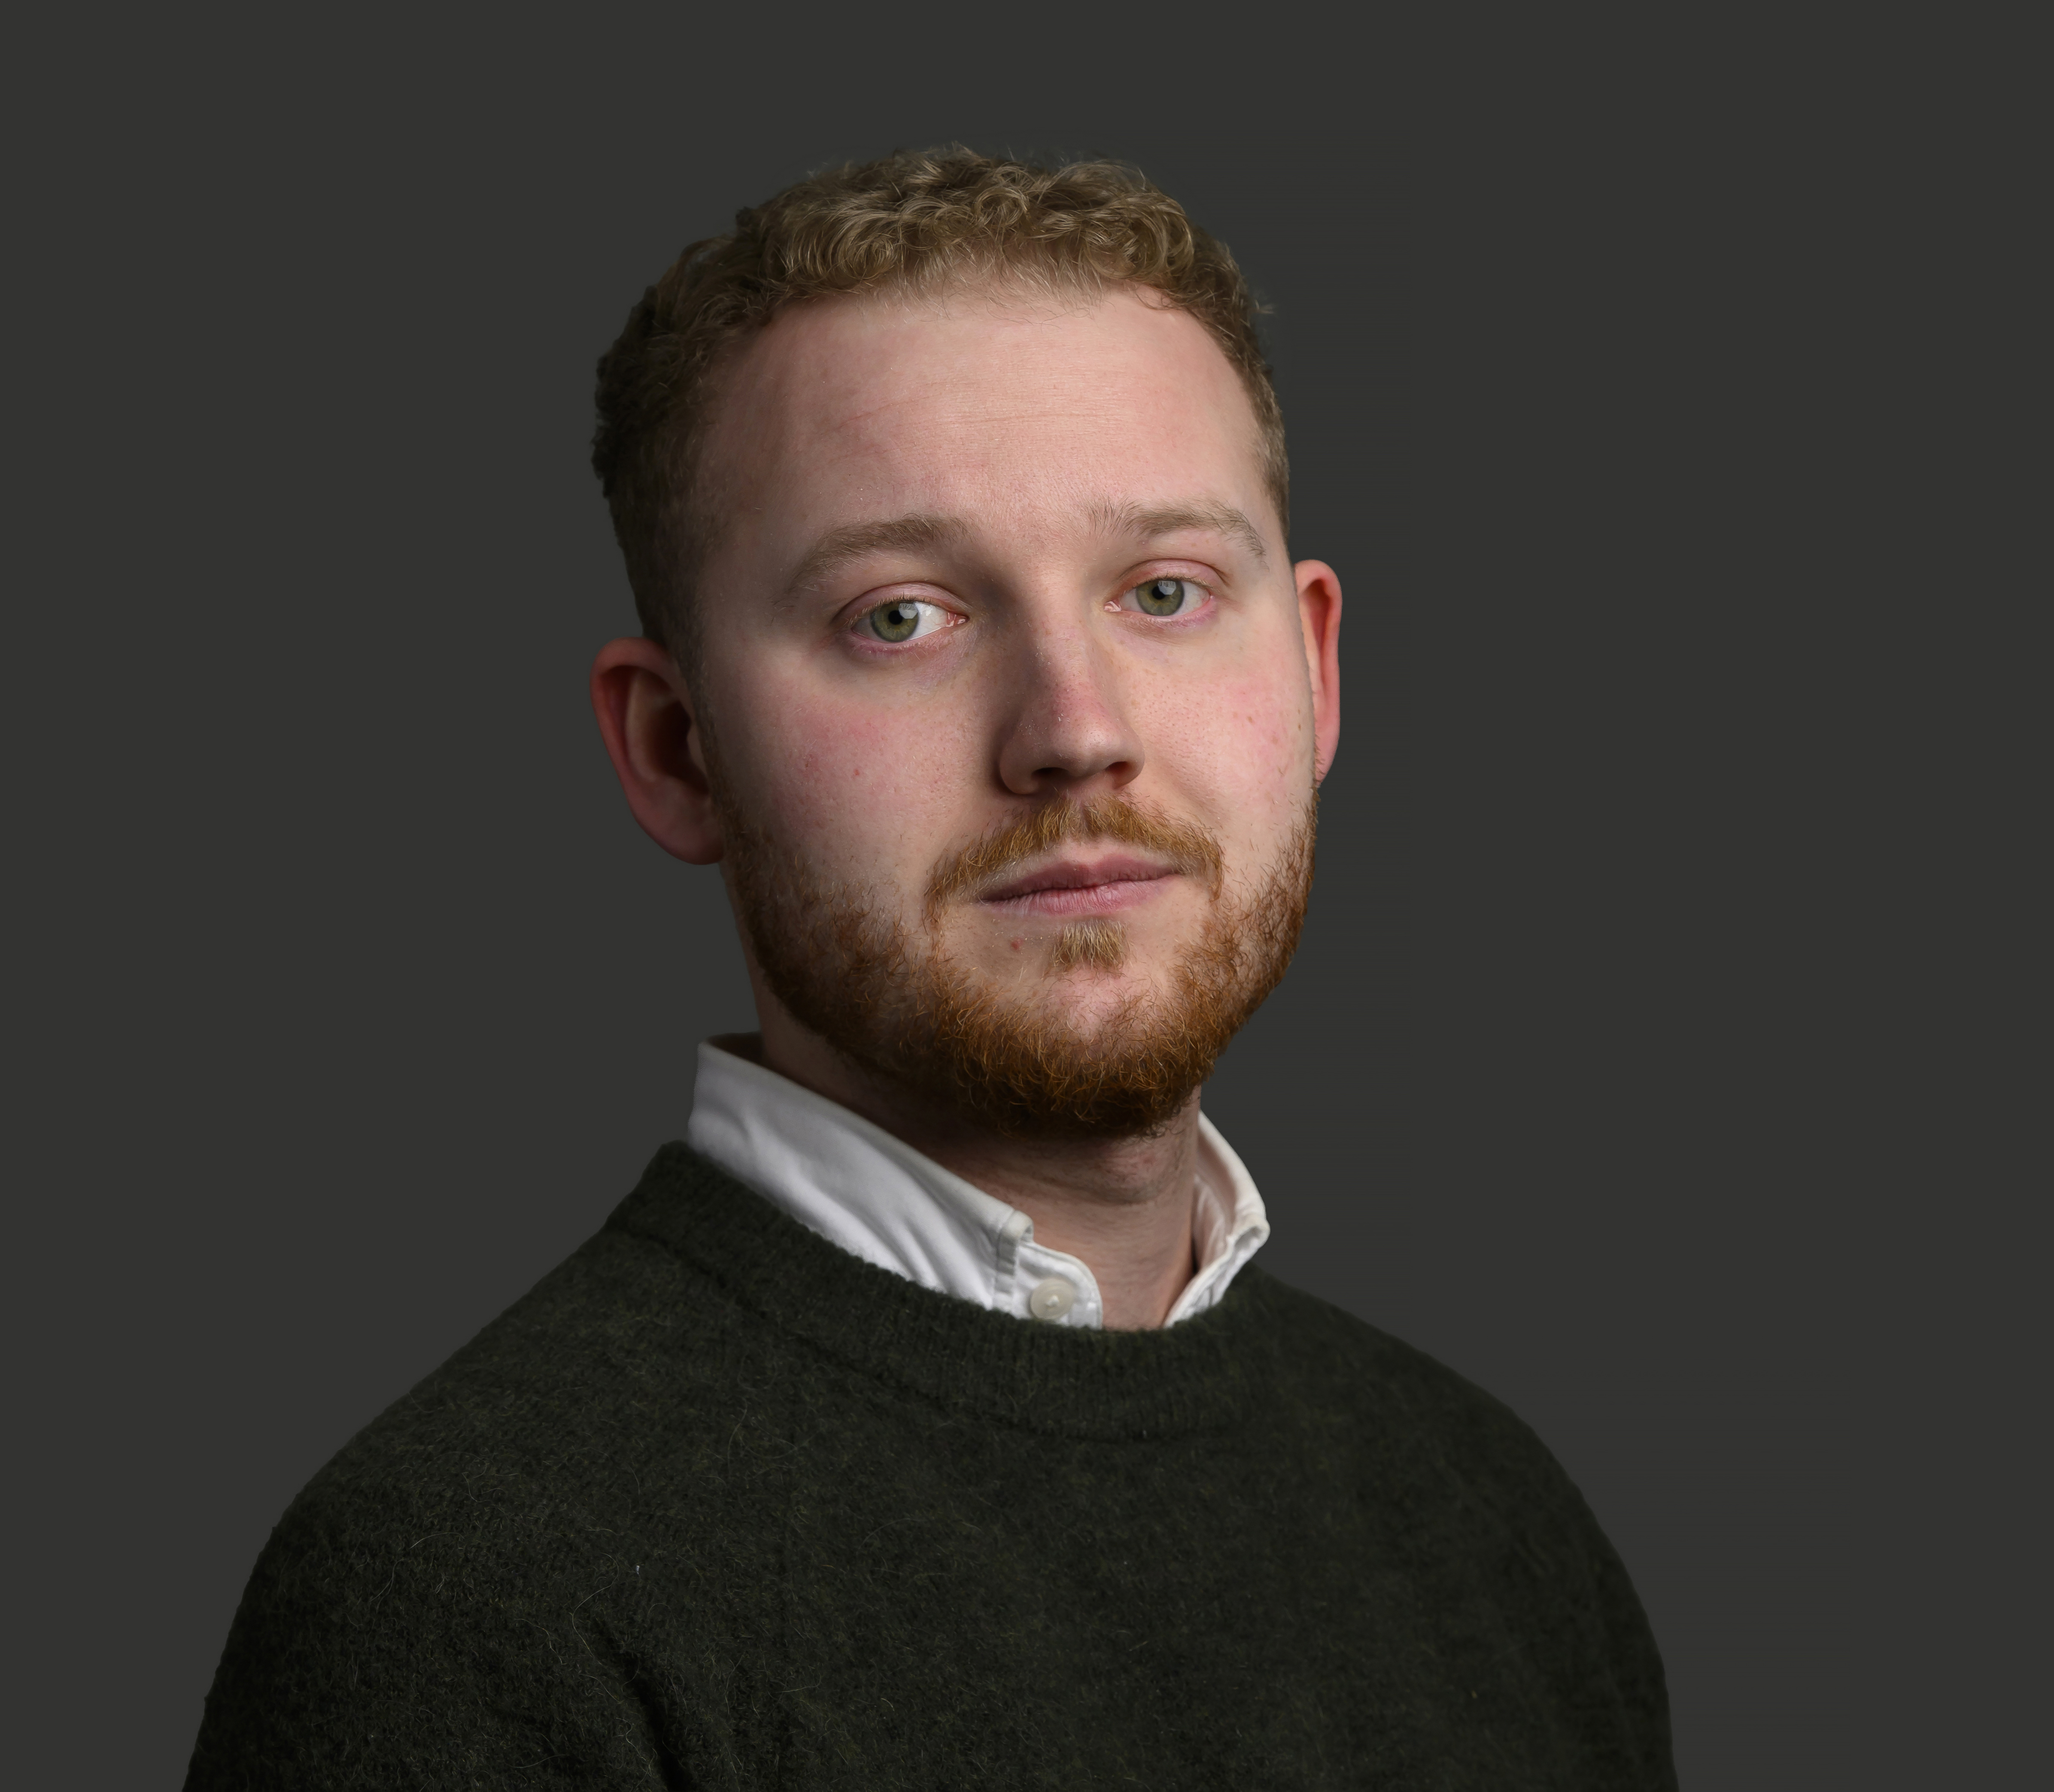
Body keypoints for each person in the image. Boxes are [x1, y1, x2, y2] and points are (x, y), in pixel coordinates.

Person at [185, 148, 1675, 1788]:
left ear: (1313, 670)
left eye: (1164, 591)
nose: (1075, 731)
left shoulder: (1487, 1518)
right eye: (899, 616)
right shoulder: (475, 1593)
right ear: (676, 749)